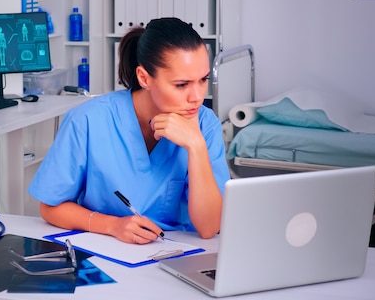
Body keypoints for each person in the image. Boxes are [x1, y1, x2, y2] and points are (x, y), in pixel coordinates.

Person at [28, 17, 230, 244]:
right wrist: (113, 225)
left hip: (176, 255)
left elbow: (209, 228)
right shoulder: (87, 120)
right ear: (144, 78)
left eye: (203, 80)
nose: (197, 97)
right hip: (104, 250)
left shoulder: (205, 124)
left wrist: (196, 146)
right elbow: (50, 207)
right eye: (181, 85)